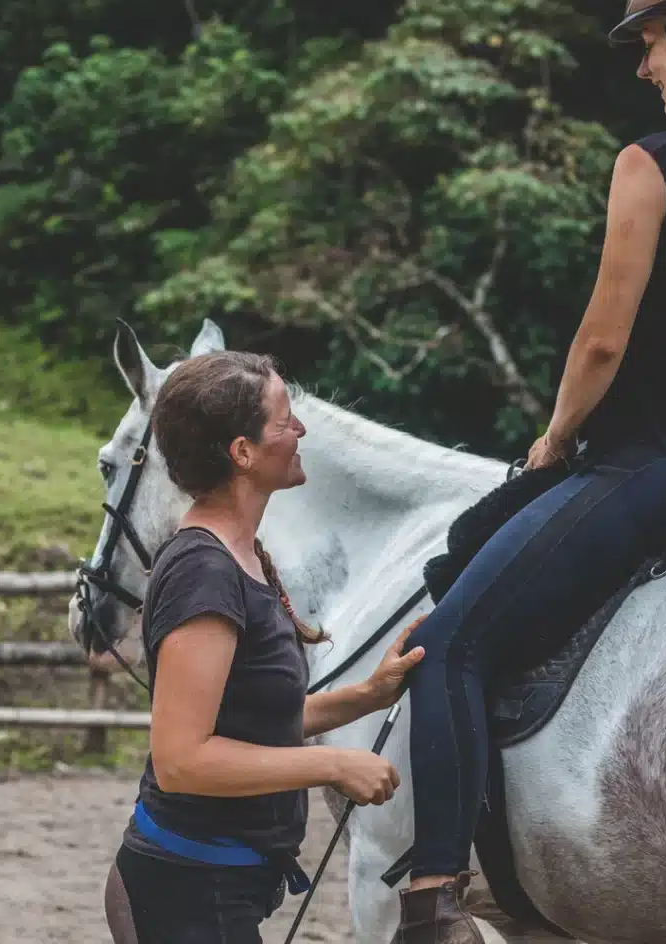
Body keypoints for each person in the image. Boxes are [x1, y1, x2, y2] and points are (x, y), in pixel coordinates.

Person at [392, 0, 666, 944]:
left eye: (647, 45)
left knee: (447, 646)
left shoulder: (653, 162)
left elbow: (602, 336)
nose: (642, 68)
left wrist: (553, 438)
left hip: (654, 469)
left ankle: (429, 897)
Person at [103, 350, 426, 944]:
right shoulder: (204, 572)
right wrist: (333, 762)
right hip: (186, 896)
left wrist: (367, 696)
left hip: (217, 890)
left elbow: (251, 721)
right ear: (242, 452)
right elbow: (183, 761)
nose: (300, 429)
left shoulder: (243, 555)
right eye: (284, 419)